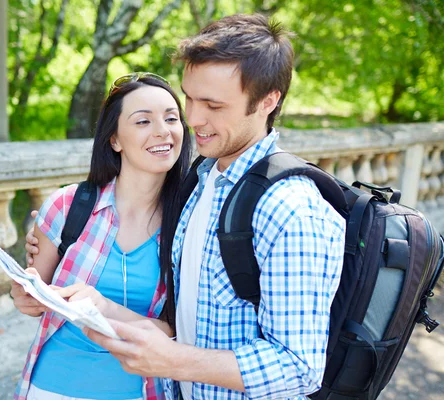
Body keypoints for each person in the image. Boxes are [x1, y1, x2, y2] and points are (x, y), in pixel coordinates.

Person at [26, 14, 346, 400]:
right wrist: (98, 303)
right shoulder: (203, 181)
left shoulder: (290, 210)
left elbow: (299, 367)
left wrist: (173, 360)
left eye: (213, 105)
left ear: (267, 101)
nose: (193, 119)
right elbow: (189, 321)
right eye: (190, 99)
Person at [12, 72, 192, 400]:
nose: (162, 131)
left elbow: (177, 332)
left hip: (141, 390)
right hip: (54, 387)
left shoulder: (190, 222)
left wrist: (103, 306)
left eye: (171, 118)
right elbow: (36, 300)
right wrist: (25, 295)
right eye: (143, 122)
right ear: (115, 139)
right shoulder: (67, 206)